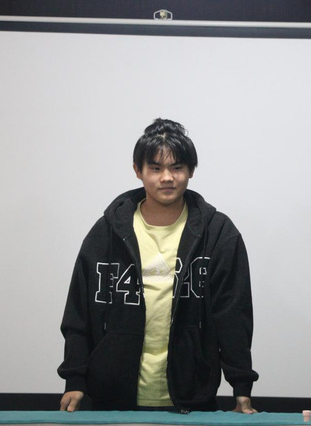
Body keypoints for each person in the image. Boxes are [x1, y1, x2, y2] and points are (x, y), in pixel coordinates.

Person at [58, 119, 258, 413]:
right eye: (155, 168)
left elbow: (233, 316)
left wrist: (241, 387)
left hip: (192, 399)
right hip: (112, 398)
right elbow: (79, 313)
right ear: (137, 170)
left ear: (191, 170)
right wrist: (74, 379)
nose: (167, 178)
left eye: (177, 167)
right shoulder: (106, 233)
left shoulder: (218, 234)